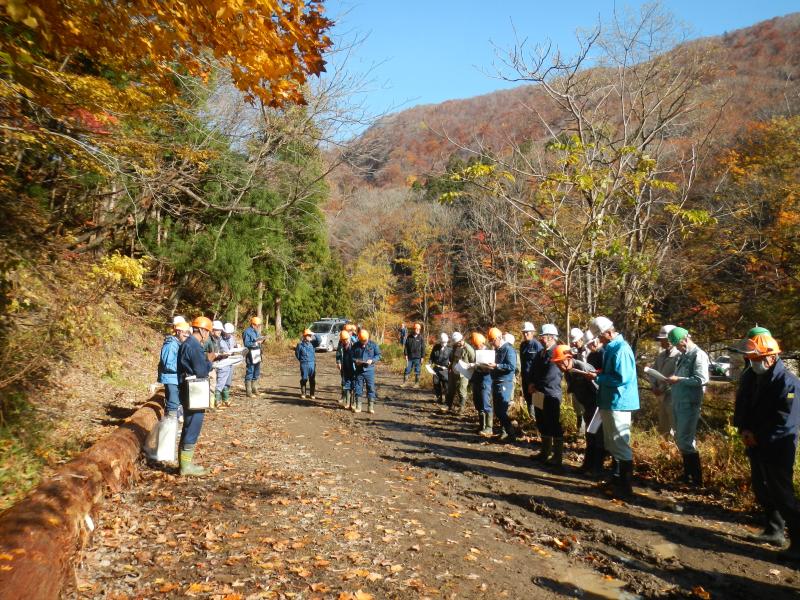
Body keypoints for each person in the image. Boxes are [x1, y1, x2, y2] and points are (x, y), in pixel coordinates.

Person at [734, 331, 800, 559]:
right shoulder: (752, 376)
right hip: (755, 443)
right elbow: (744, 406)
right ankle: (774, 531)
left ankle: (798, 542)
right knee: (762, 489)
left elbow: (786, 421)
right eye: (750, 359)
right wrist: (743, 429)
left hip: (777, 447)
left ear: (770, 357)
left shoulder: (788, 383)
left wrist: (759, 437)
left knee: (783, 495)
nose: (751, 362)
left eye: (755, 358)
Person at [584, 316, 639, 499]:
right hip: (609, 400)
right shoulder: (611, 348)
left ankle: (625, 486)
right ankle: (617, 480)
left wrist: (597, 378)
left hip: (619, 402)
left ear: (608, 332)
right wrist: (599, 374)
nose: (598, 340)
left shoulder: (621, 349)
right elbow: (614, 373)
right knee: (612, 443)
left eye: (600, 336)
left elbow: (622, 378)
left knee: (620, 444)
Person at [665, 327, 709, 487]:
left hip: (690, 403)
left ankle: (696, 479)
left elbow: (702, 379)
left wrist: (679, 379)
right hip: (679, 401)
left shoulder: (698, 355)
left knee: (686, 439)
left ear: (685, 339)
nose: (677, 347)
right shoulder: (683, 356)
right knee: (680, 438)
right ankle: (688, 475)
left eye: (678, 344)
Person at [551, 344, 604, 475]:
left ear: (569, 358)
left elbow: (599, 389)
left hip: (597, 407)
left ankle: (597, 469)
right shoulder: (568, 372)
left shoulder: (583, 368)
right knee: (590, 436)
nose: (559, 366)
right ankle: (587, 466)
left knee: (598, 438)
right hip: (587, 406)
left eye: (560, 362)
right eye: (557, 363)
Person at [176, 316, 215, 476]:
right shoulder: (195, 346)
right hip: (194, 390)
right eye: (208, 332)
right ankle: (186, 467)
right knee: (193, 426)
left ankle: (184, 464)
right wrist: (210, 361)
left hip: (187, 388)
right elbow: (201, 371)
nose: (208, 335)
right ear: (203, 330)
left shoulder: (187, 344)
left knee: (188, 425)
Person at [531, 324, 565, 465]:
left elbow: (550, 375)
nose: (541, 339)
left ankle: (557, 456)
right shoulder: (542, 353)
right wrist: (531, 384)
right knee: (541, 422)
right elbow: (534, 370)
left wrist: (536, 385)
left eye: (543, 337)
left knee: (553, 423)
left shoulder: (557, 352)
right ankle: (545, 452)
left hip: (551, 393)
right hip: (538, 392)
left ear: (551, 337)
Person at [648, 325, 680, 438]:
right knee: (664, 428)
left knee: (676, 427)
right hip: (661, 397)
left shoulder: (679, 355)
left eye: (663, 340)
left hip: (673, 396)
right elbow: (653, 372)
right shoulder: (661, 356)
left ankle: (678, 453)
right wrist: (654, 386)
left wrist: (661, 389)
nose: (661, 342)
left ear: (670, 339)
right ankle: (667, 453)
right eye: (660, 340)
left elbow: (677, 376)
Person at [487, 327, 518, 441]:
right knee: (498, 411)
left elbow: (511, 367)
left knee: (502, 411)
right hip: (496, 381)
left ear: (499, 338)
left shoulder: (509, 349)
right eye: (490, 341)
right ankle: (505, 433)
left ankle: (511, 434)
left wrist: (497, 366)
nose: (492, 343)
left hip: (505, 382)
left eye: (493, 341)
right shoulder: (497, 349)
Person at [158, 319, 191, 419]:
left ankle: (173, 423)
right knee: (172, 403)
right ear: (178, 332)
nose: (187, 335)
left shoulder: (178, 343)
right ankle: (170, 425)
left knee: (177, 401)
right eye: (185, 333)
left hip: (176, 377)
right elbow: (168, 364)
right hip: (171, 378)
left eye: (188, 333)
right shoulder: (171, 344)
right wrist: (184, 367)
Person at [352, 329, 382, 414]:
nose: (363, 342)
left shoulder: (373, 345)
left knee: (371, 388)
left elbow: (379, 355)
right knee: (358, 388)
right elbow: (352, 356)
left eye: (365, 341)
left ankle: (370, 407)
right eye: (362, 341)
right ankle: (358, 406)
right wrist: (356, 361)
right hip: (359, 370)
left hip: (369, 370)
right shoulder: (355, 345)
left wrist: (372, 360)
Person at [446, 332, 475, 414]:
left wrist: (469, 368)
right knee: (450, 389)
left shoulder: (469, 349)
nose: (457, 344)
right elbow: (452, 358)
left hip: (464, 373)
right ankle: (448, 405)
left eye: (458, 342)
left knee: (462, 390)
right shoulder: (455, 347)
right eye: (456, 343)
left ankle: (461, 407)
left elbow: (473, 361)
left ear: (462, 340)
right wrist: (450, 366)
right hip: (453, 371)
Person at [519, 322, 543, 419]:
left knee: (537, 401)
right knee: (528, 399)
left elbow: (541, 363)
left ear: (532, 333)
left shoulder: (537, 345)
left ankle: (539, 421)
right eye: (524, 333)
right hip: (525, 377)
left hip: (535, 378)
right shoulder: (522, 345)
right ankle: (531, 420)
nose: (525, 334)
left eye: (527, 332)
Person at [569, 327, 587, 432]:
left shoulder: (587, 350)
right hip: (576, 384)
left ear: (581, 339)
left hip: (586, 384)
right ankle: (579, 430)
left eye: (576, 342)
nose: (574, 344)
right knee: (578, 410)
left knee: (585, 410)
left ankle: (583, 432)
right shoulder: (574, 351)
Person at [215, 322, 236, 407]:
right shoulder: (219, 339)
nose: (229, 335)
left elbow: (233, 346)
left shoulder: (232, 338)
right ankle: (217, 400)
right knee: (221, 381)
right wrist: (222, 353)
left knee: (228, 381)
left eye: (230, 333)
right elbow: (215, 351)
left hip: (231, 361)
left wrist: (237, 347)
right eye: (227, 333)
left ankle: (226, 399)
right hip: (222, 362)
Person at [294, 328, 320, 399]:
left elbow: (319, 340)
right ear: (304, 336)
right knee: (304, 378)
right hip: (304, 363)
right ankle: (303, 393)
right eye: (308, 335)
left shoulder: (313, 343)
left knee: (312, 379)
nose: (309, 337)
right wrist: (302, 360)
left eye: (310, 335)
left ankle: (312, 394)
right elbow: (297, 354)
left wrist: (314, 334)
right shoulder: (300, 345)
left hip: (312, 363)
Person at [243, 316, 264, 397]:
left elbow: (258, 340)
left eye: (259, 325)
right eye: (257, 325)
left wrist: (261, 340)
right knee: (250, 371)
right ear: (253, 324)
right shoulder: (247, 332)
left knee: (256, 371)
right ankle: (248, 391)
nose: (258, 326)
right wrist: (255, 343)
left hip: (257, 353)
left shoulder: (256, 331)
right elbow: (246, 344)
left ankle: (254, 388)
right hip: (250, 354)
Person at [429, 333, 452, 405]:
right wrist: (429, 363)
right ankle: (439, 398)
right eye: (442, 342)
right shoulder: (436, 347)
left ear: (447, 342)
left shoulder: (450, 349)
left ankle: (447, 401)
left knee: (446, 385)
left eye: (445, 342)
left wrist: (450, 365)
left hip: (445, 369)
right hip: (436, 369)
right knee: (436, 384)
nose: (443, 344)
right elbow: (432, 356)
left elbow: (452, 360)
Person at [336, 330, 356, 409]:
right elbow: (338, 354)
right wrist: (338, 362)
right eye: (343, 340)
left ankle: (353, 403)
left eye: (346, 340)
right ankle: (347, 403)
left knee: (354, 386)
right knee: (346, 385)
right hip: (345, 368)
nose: (345, 341)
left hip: (354, 368)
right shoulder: (341, 345)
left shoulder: (354, 344)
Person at [403, 323, 425, 387]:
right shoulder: (409, 337)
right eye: (416, 329)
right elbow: (406, 347)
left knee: (417, 370)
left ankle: (416, 384)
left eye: (419, 329)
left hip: (418, 358)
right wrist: (406, 355)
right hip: (409, 357)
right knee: (407, 369)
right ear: (414, 329)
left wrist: (422, 357)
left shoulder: (421, 338)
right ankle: (405, 383)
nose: (417, 330)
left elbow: (423, 348)